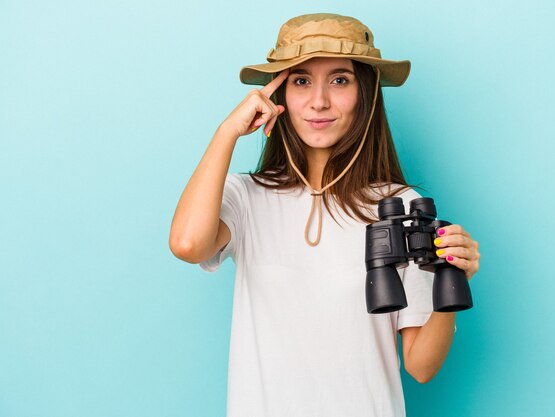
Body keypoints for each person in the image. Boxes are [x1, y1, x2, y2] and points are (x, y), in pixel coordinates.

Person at [169, 13, 480, 417]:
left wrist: (450, 280)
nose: (319, 101)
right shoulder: (245, 197)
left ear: (365, 92)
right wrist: (227, 131)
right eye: (300, 81)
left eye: (339, 80)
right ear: (277, 95)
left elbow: (420, 366)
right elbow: (188, 245)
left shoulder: (400, 207)